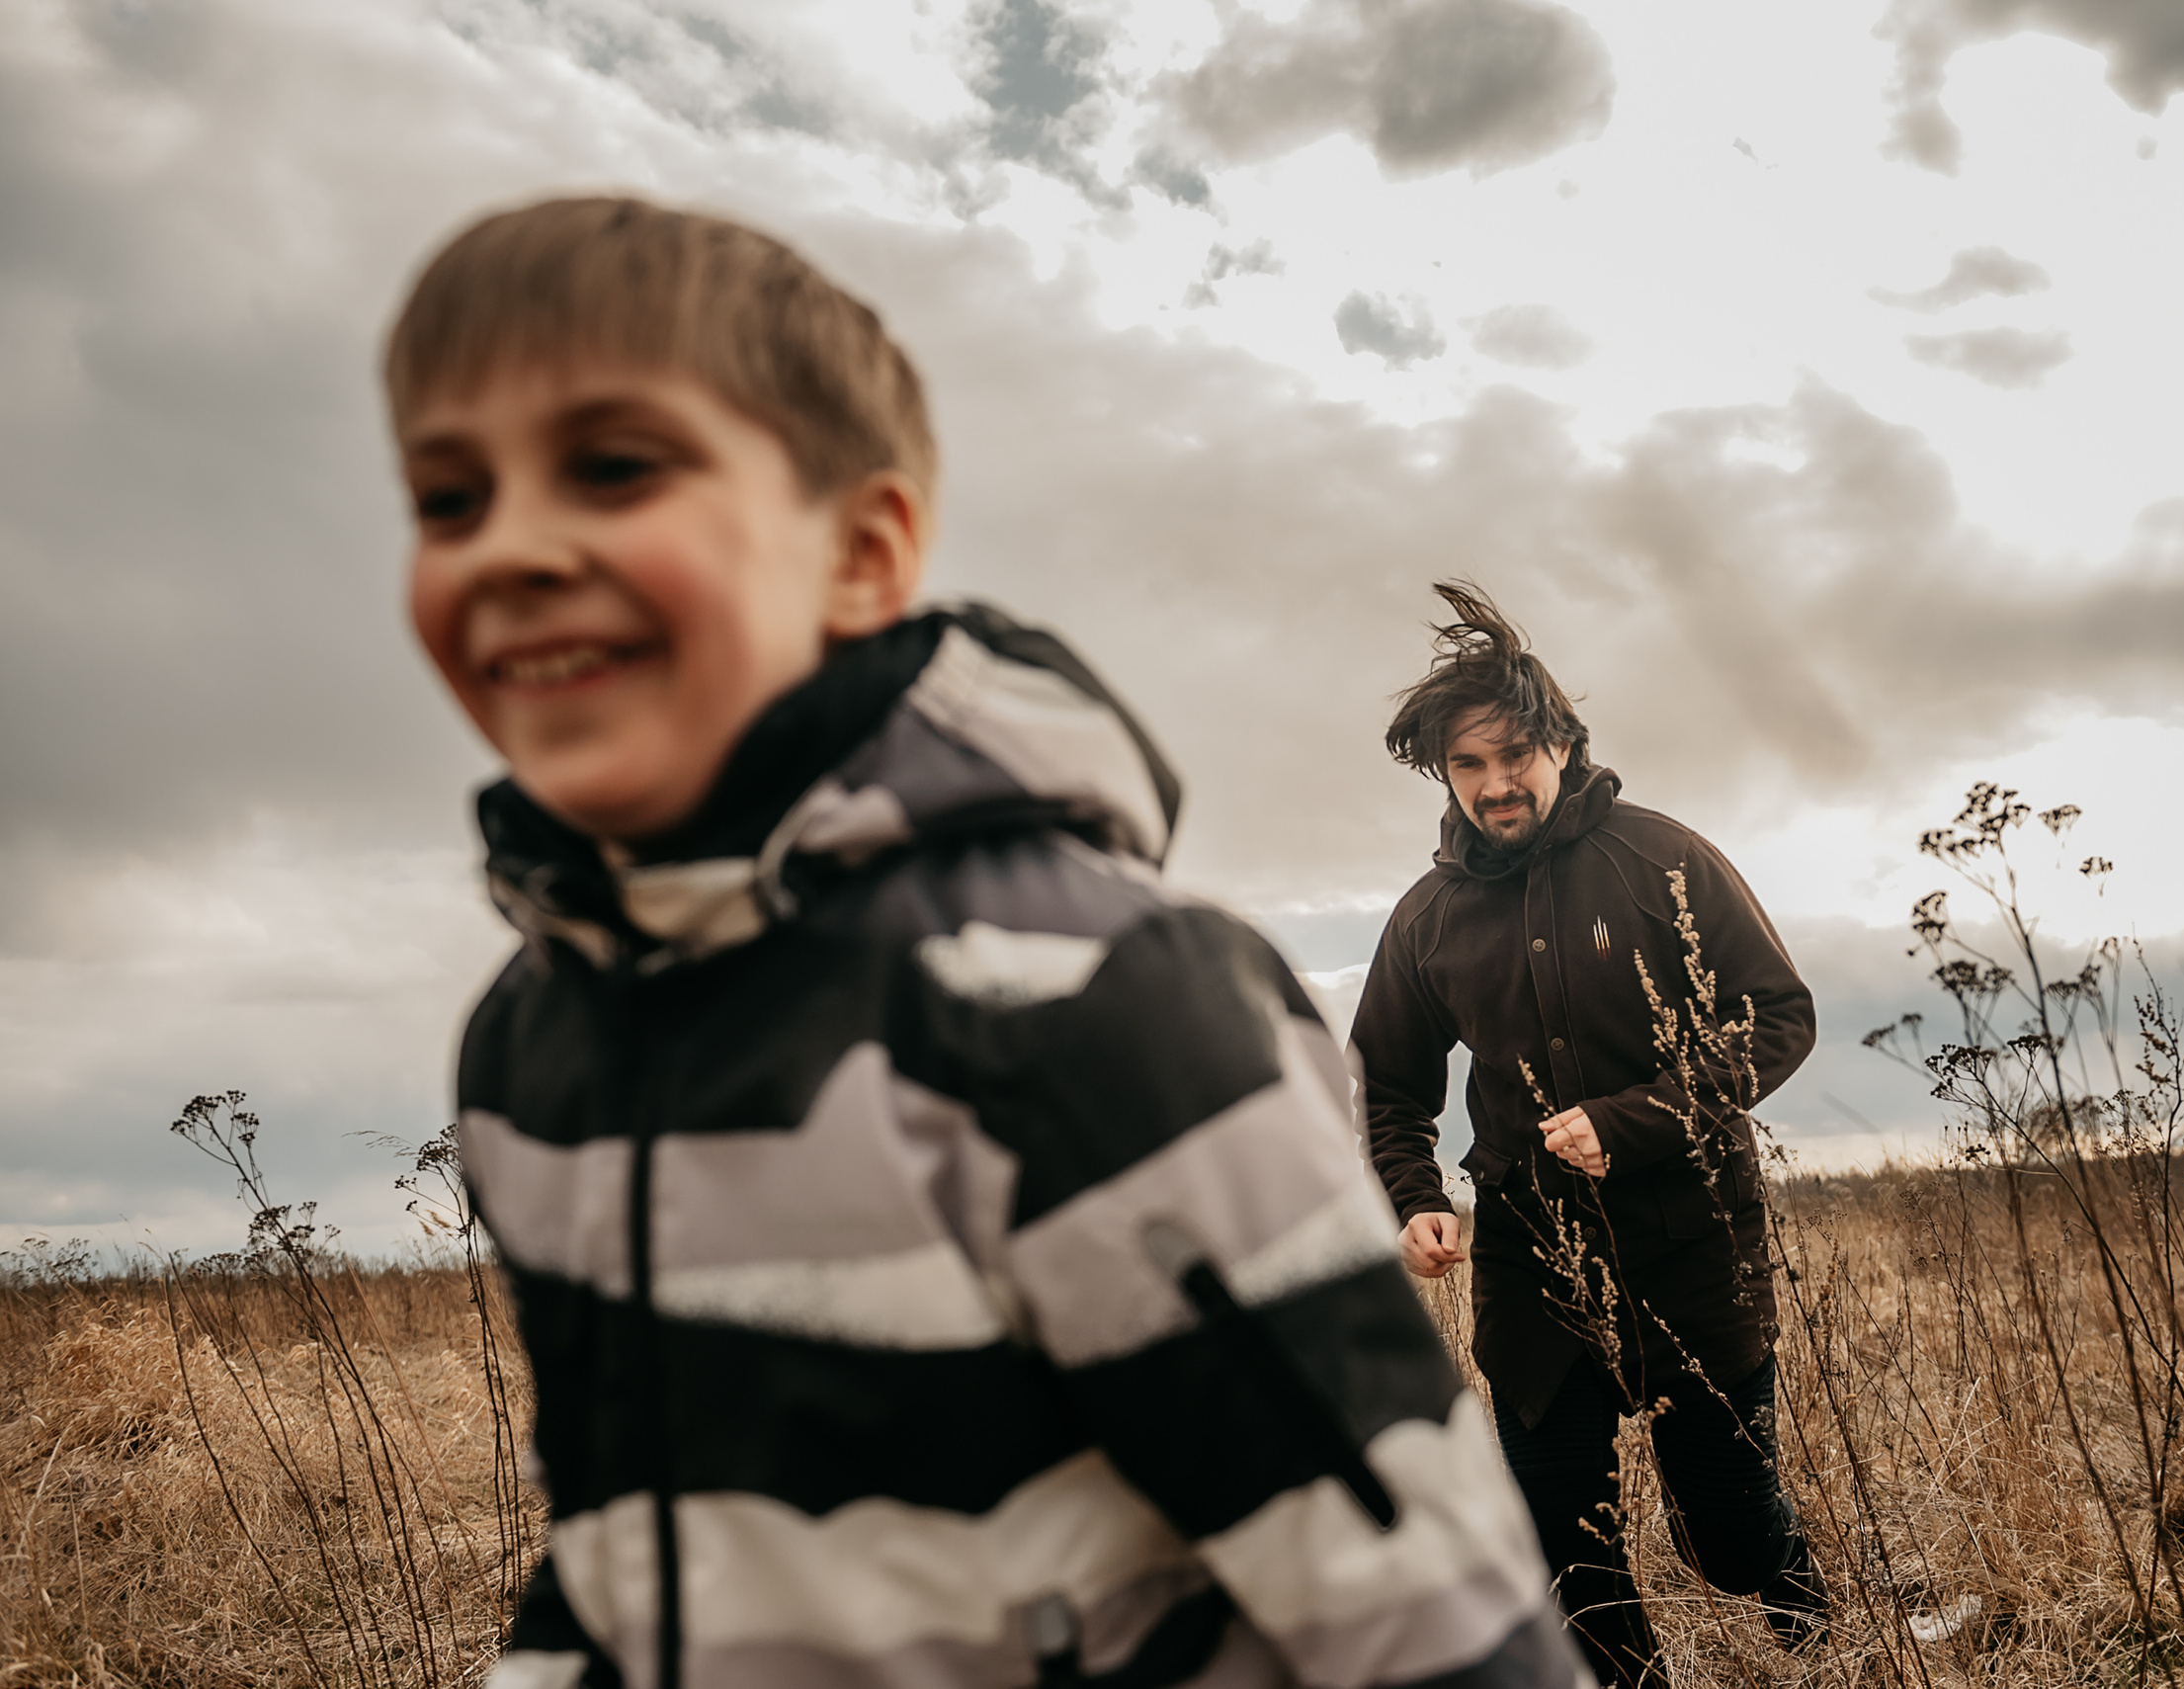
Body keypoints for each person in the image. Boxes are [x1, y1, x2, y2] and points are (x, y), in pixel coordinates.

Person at [386, 199, 1586, 1689]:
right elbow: (633, 1539)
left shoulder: (1086, 1004)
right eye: (448, 499)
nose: (511, 548)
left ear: (862, 550)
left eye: (614, 469)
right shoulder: (530, 1041)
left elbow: (1427, 1613)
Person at [1351, 583, 1826, 1682]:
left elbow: (1777, 1014)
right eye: (1466, 765)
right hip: (1532, 1253)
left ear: (1561, 742)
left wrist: (1638, 1119)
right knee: (1562, 1536)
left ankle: (1810, 1618)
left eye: (1513, 752)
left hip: (1694, 1237)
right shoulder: (1427, 916)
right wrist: (1414, 1193)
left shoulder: (1662, 859)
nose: (1494, 782)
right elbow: (1386, 1084)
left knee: (1727, 1532)